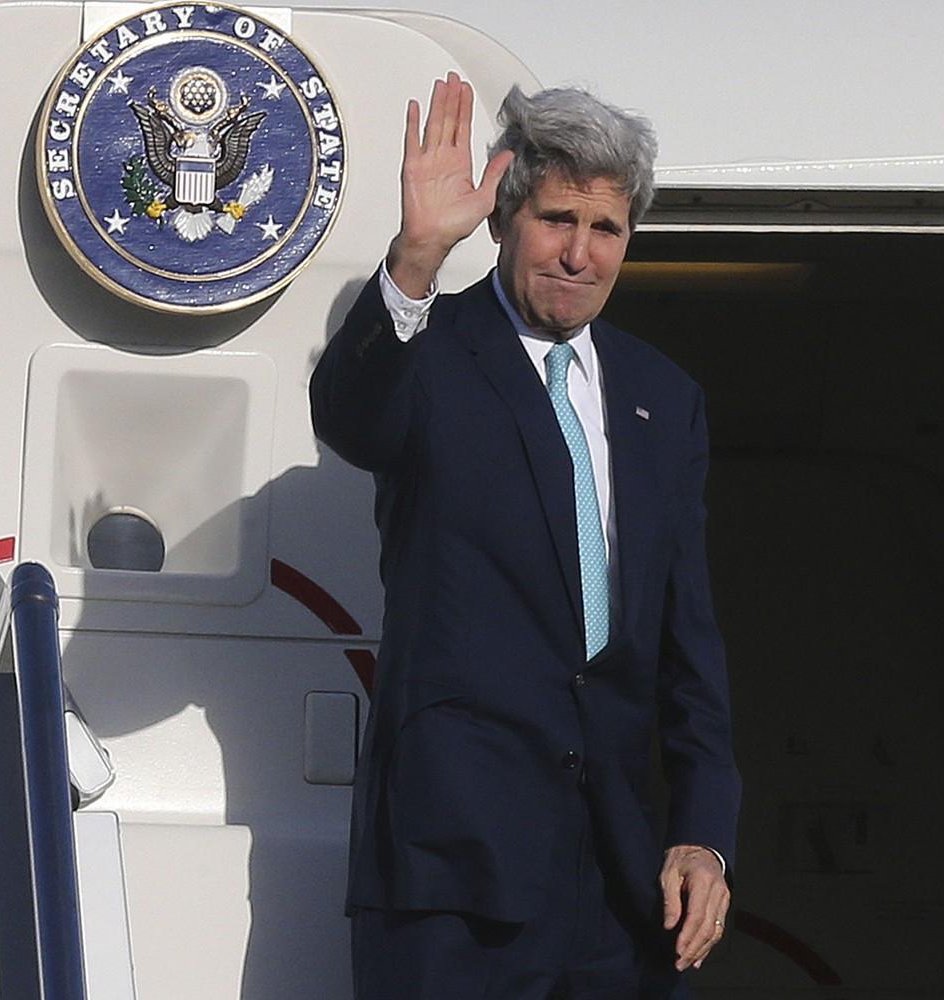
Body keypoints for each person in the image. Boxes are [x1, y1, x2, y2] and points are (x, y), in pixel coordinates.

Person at [310, 73, 741, 999]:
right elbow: (351, 419)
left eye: (606, 228)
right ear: (505, 219)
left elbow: (687, 643)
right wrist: (417, 257)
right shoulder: (431, 353)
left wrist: (704, 833)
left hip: (620, 884)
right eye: (556, 220)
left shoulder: (664, 397)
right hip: (453, 872)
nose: (579, 254)